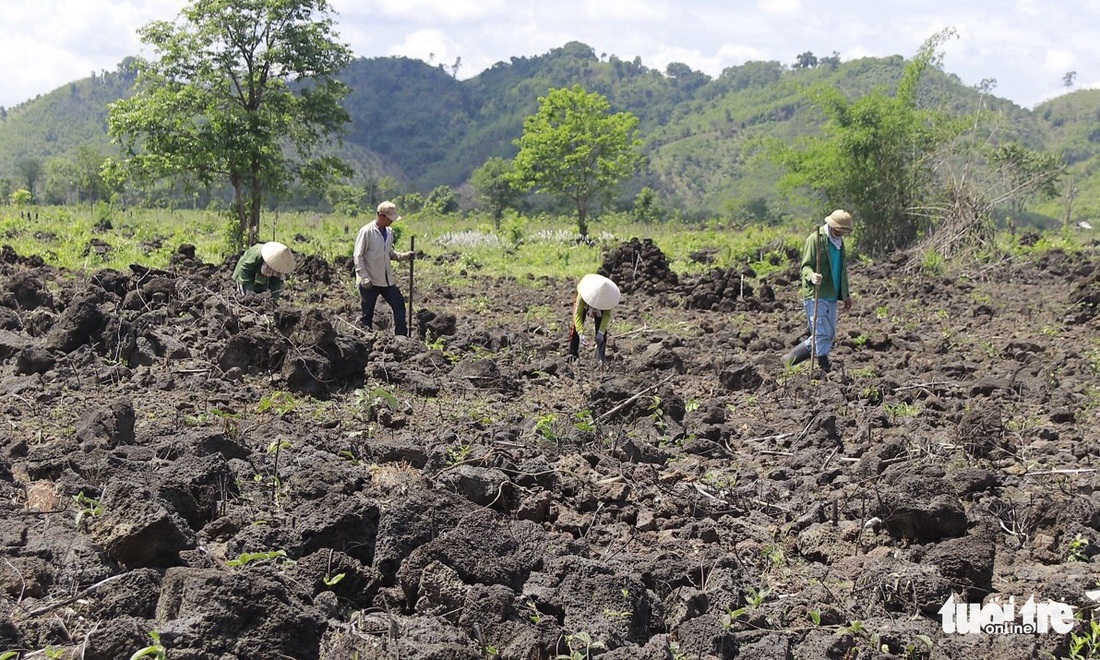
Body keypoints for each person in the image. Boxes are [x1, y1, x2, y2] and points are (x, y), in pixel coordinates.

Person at [781, 209, 853, 372]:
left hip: (832, 294)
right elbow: (805, 266)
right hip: (816, 293)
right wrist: (812, 276)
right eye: (838, 230)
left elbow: (842, 270)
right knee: (821, 333)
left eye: (843, 232)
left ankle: (790, 359)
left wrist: (846, 295)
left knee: (829, 335)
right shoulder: (816, 240)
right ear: (832, 226)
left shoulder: (840, 243)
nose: (840, 234)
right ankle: (823, 366)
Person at [354, 201, 414, 335]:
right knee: (367, 314)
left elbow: (388, 253)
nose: (391, 222)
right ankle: (365, 339)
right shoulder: (366, 232)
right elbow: (358, 256)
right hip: (369, 281)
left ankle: (401, 338)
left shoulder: (389, 232)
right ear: (381, 216)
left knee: (399, 306)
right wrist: (363, 277)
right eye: (389, 219)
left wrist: (403, 256)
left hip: (386, 280)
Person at [568, 273, 621, 363]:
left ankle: (600, 357)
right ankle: (573, 354)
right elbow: (577, 315)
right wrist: (580, 333)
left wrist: (600, 332)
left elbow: (606, 316)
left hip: (602, 305)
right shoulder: (583, 295)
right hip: (585, 300)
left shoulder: (608, 300)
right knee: (575, 327)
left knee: (602, 332)